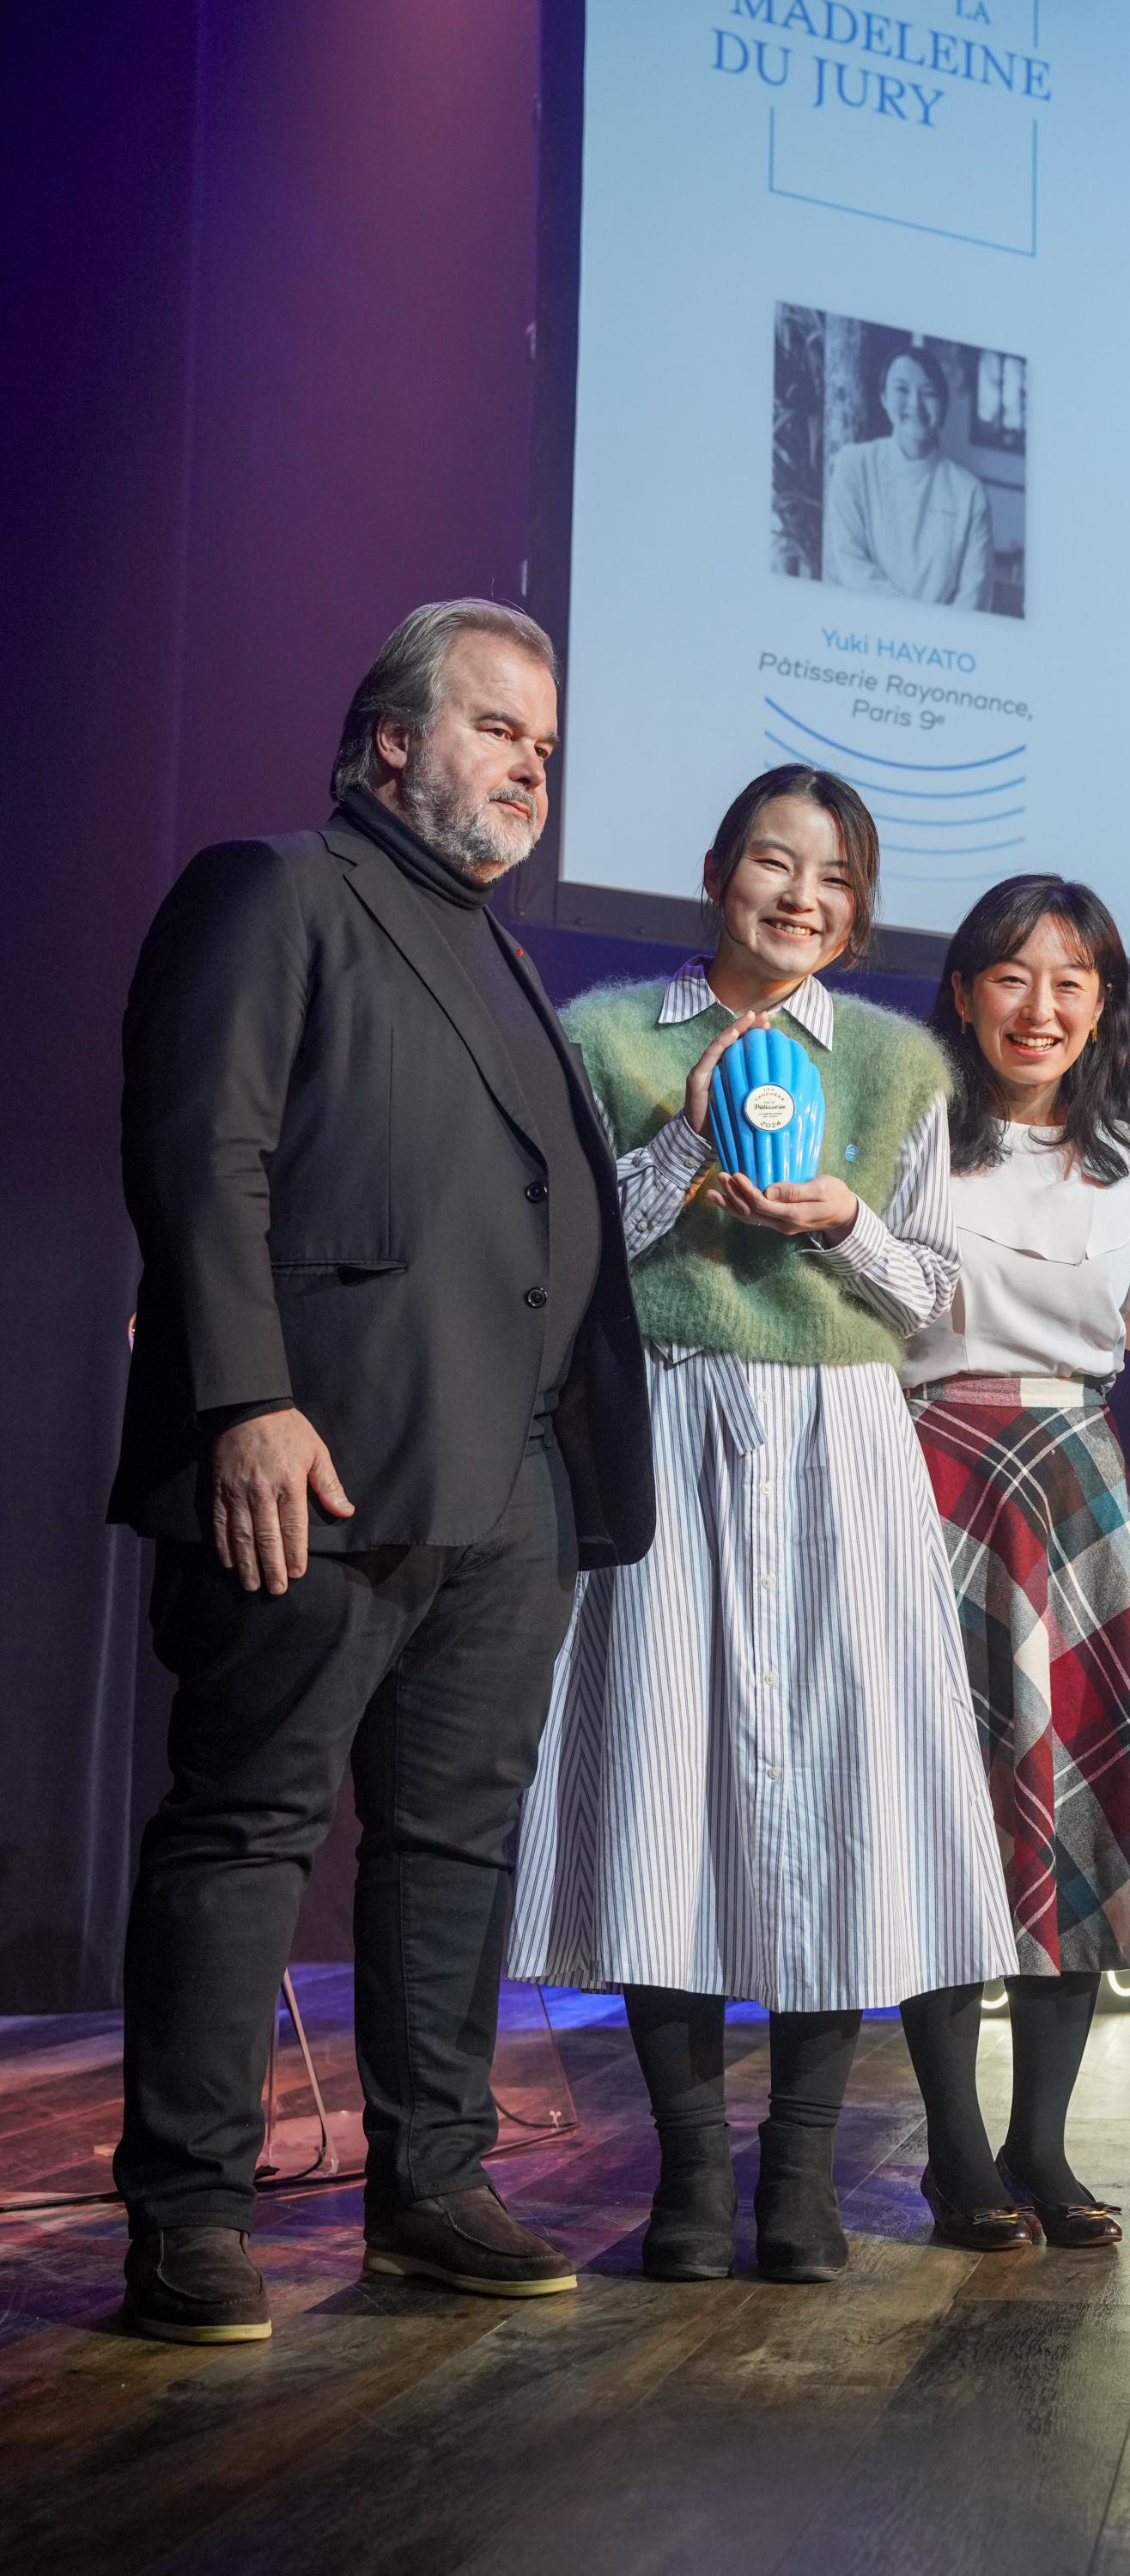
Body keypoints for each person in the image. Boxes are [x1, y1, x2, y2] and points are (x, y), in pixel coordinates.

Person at [108, 600, 653, 2343]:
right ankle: (187, 2210)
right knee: (249, 1821)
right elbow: (206, 1155)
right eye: (499, 728)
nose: (529, 767)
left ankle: (431, 2187)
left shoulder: (494, 952)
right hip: (316, 1465)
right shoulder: (277, 891)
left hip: (508, 1488)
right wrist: (242, 1399)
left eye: (547, 749)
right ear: (394, 739)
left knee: (455, 1843)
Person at [509, 762, 1018, 2285]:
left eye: (833, 877)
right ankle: (682, 2180)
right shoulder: (606, 1034)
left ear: (856, 910)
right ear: (717, 868)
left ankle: (794, 2175)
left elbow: (937, 1292)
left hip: (840, 1436)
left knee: (834, 1801)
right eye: (773, 864)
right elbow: (567, 1247)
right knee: (668, 1787)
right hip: (671, 1415)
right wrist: (685, 1158)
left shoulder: (890, 1059)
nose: (800, 897)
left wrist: (844, 1220)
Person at [896, 878, 1130, 2252]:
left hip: (1076, 1480)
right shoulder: (904, 1130)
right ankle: (956, 2156)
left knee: (1073, 1819)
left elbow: (1126, 1333)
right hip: (925, 1471)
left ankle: (1041, 2144)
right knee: (945, 1822)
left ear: (1102, 1007)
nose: (1042, 1006)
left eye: (1071, 980)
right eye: (1012, 976)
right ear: (963, 992)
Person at [825, 346, 994, 611]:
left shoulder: (969, 493)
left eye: (928, 393)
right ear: (883, 396)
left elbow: (973, 599)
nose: (915, 404)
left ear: (944, 405)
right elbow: (850, 562)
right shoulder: (854, 464)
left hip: (940, 645)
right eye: (902, 390)